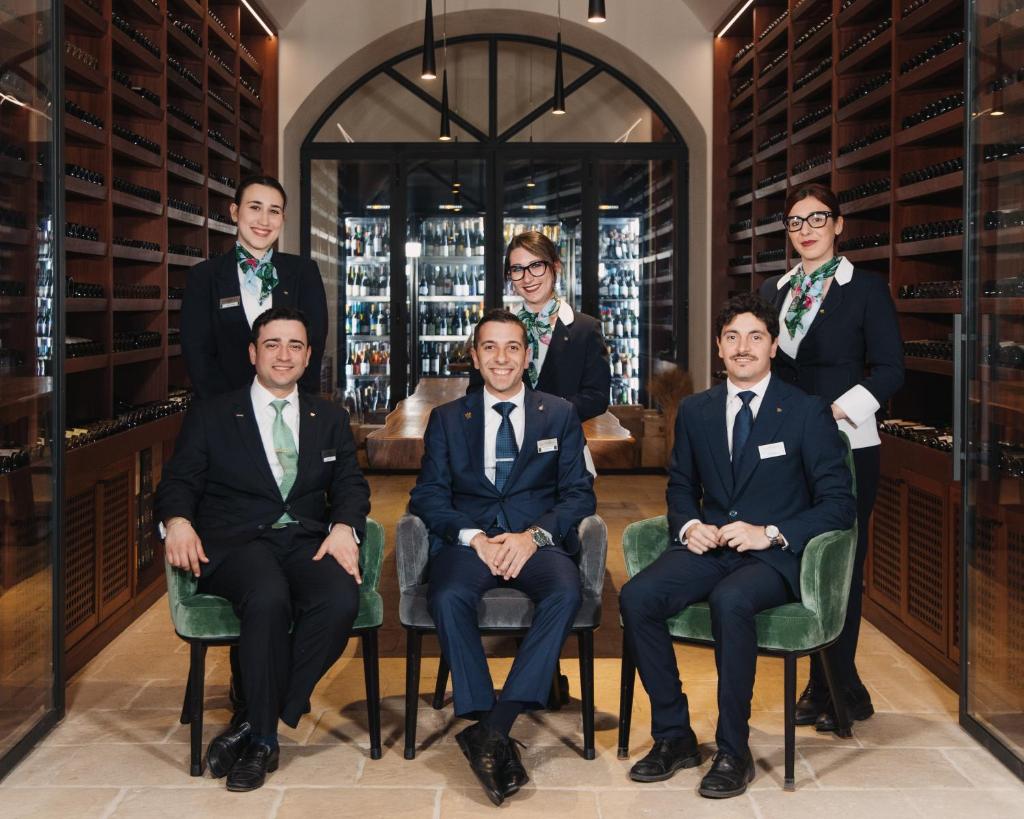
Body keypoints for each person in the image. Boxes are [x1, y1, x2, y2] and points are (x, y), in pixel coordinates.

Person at [619, 293, 855, 799]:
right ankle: (674, 736)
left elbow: (839, 505)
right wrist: (687, 527)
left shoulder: (806, 412)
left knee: (732, 602)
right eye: (732, 337)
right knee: (637, 597)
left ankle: (733, 750)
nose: (743, 347)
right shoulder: (698, 411)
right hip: (710, 547)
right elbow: (681, 486)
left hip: (773, 555)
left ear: (773, 346)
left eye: (754, 336)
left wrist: (769, 532)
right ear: (719, 349)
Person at [155, 306, 370, 792]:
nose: (284, 354)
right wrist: (178, 521)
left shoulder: (329, 416)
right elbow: (177, 482)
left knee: (339, 600)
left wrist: (343, 527)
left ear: (308, 355)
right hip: (236, 542)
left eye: (295, 345)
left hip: (305, 540)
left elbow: (352, 487)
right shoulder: (212, 414)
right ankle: (267, 742)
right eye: (272, 344)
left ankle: (253, 719)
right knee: (268, 595)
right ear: (253, 353)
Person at [409, 308, 596, 807]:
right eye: (490, 347)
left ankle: (494, 725)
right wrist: (474, 537)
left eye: (513, 347)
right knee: (448, 595)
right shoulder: (448, 419)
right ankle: (486, 721)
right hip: (472, 543)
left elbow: (579, 495)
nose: (502, 358)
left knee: (565, 591)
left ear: (528, 355)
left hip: (536, 542)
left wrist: (534, 535)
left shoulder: (558, 413)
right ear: (474, 356)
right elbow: (428, 497)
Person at [760, 183, 904, 732]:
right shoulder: (775, 290)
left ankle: (833, 687)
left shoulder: (865, 289)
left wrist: (836, 413)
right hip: (785, 446)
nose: (806, 229)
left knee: (840, 566)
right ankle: (833, 688)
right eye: (795, 222)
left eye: (817, 218)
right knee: (799, 557)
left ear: (838, 225)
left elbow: (890, 368)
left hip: (848, 445)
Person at [181, 174, 328, 398]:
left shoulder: (304, 272)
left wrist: (293, 405)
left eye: (274, 211)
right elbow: (198, 357)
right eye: (255, 208)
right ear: (234, 212)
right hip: (222, 413)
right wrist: (237, 413)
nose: (264, 221)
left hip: (288, 410)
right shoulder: (204, 277)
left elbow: (313, 348)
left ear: (283, 218)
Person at [468, 230, 610, 424]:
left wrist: (545, 412)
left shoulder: (585, 329)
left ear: (555, 267)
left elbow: (597, 398)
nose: (527, 279)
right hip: (505, 437)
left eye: (536, 266)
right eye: (517, 269)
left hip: (562, 444)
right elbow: (476, 391)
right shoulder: (493, 328)